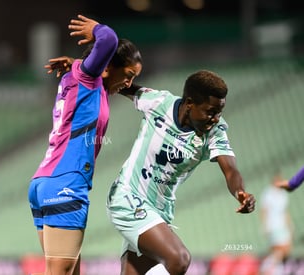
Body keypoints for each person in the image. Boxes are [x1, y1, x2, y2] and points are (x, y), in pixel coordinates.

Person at [105, 72, 256, 275]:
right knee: (179, 259)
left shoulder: (215, 131)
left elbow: (230, 170)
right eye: (210, 112)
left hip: (159, 213)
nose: (215, 119)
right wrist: (84, 67)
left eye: (219, 112)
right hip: (127, 197)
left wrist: (240, 192)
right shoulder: (159, 102)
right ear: (190, 103)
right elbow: (117, 83)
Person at [28, 14, 142, 275]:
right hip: (66, 182)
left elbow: (109, 75)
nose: (129, 84)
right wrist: (99, 29)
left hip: (45, 182)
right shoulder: (88, 79)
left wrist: (78, 62)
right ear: (106, 66)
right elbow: (109, 39)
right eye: (128, 75)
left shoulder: (83, 80)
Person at [259, 172, 293, 275]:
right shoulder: (267, 194)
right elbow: (264, 211)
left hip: (282, 225)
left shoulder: (283, 194)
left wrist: (290, 224)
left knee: (285, 250)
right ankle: (269, 269)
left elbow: (284, 211)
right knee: (280, 249)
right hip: (273, 225)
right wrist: (265, 225)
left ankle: (273, 268)